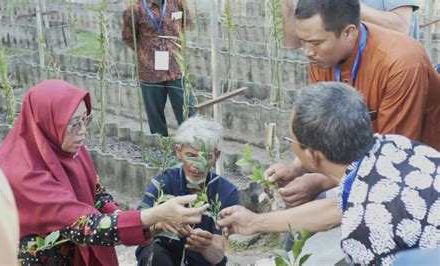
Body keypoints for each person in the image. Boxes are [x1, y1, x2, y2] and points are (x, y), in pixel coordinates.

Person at [0, 79, 209, 266]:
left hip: (68, 248)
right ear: (46, 123)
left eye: (86, 120)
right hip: (40, 256)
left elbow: (97, 197)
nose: (83, 132)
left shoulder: (69, 150)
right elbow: (82, 225)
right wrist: (154, 215)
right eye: (74, 124)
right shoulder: (24, 173)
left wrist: (147, 223)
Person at [217, 82, 440, 265]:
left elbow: (358, 214)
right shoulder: (395, 146)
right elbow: (340, 208)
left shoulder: (362, 233)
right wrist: (256, 222)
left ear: (313, 156)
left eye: (291, 140)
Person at [267, 0, 440, 208]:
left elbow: (393, 157)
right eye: (303, 41)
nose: (307, 52)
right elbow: (325, 128)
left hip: (419, 173)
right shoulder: (323, 56)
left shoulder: (401, 63)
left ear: (349, 32)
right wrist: (297, 167)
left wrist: (321, 181)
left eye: (315, 42)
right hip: (367, 166)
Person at [136, 116, 239, 266]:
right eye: (191, 156)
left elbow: (218, 254)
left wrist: (206, 246)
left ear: (216, 156)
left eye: (206, 157)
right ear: (178, 151)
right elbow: (138, 228)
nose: (197, 166)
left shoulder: (226, 192)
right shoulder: (163, 182)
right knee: (153, 253)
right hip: (164, 259)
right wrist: (160, 224)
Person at [122, 0, 197, 137]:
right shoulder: (135, 10)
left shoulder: (177, 3)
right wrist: (146, 52)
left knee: (188, 110)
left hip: (176, 68)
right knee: (155, 115)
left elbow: (185, 23)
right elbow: (128, 37)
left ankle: (190, 142)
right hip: (150, 71)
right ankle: (161, 149)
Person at [282, 0, 420, 49]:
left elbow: (400, 26)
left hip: (387, 73)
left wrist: (346, 4)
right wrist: (287, 4)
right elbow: (294, 41)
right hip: (337, 76)